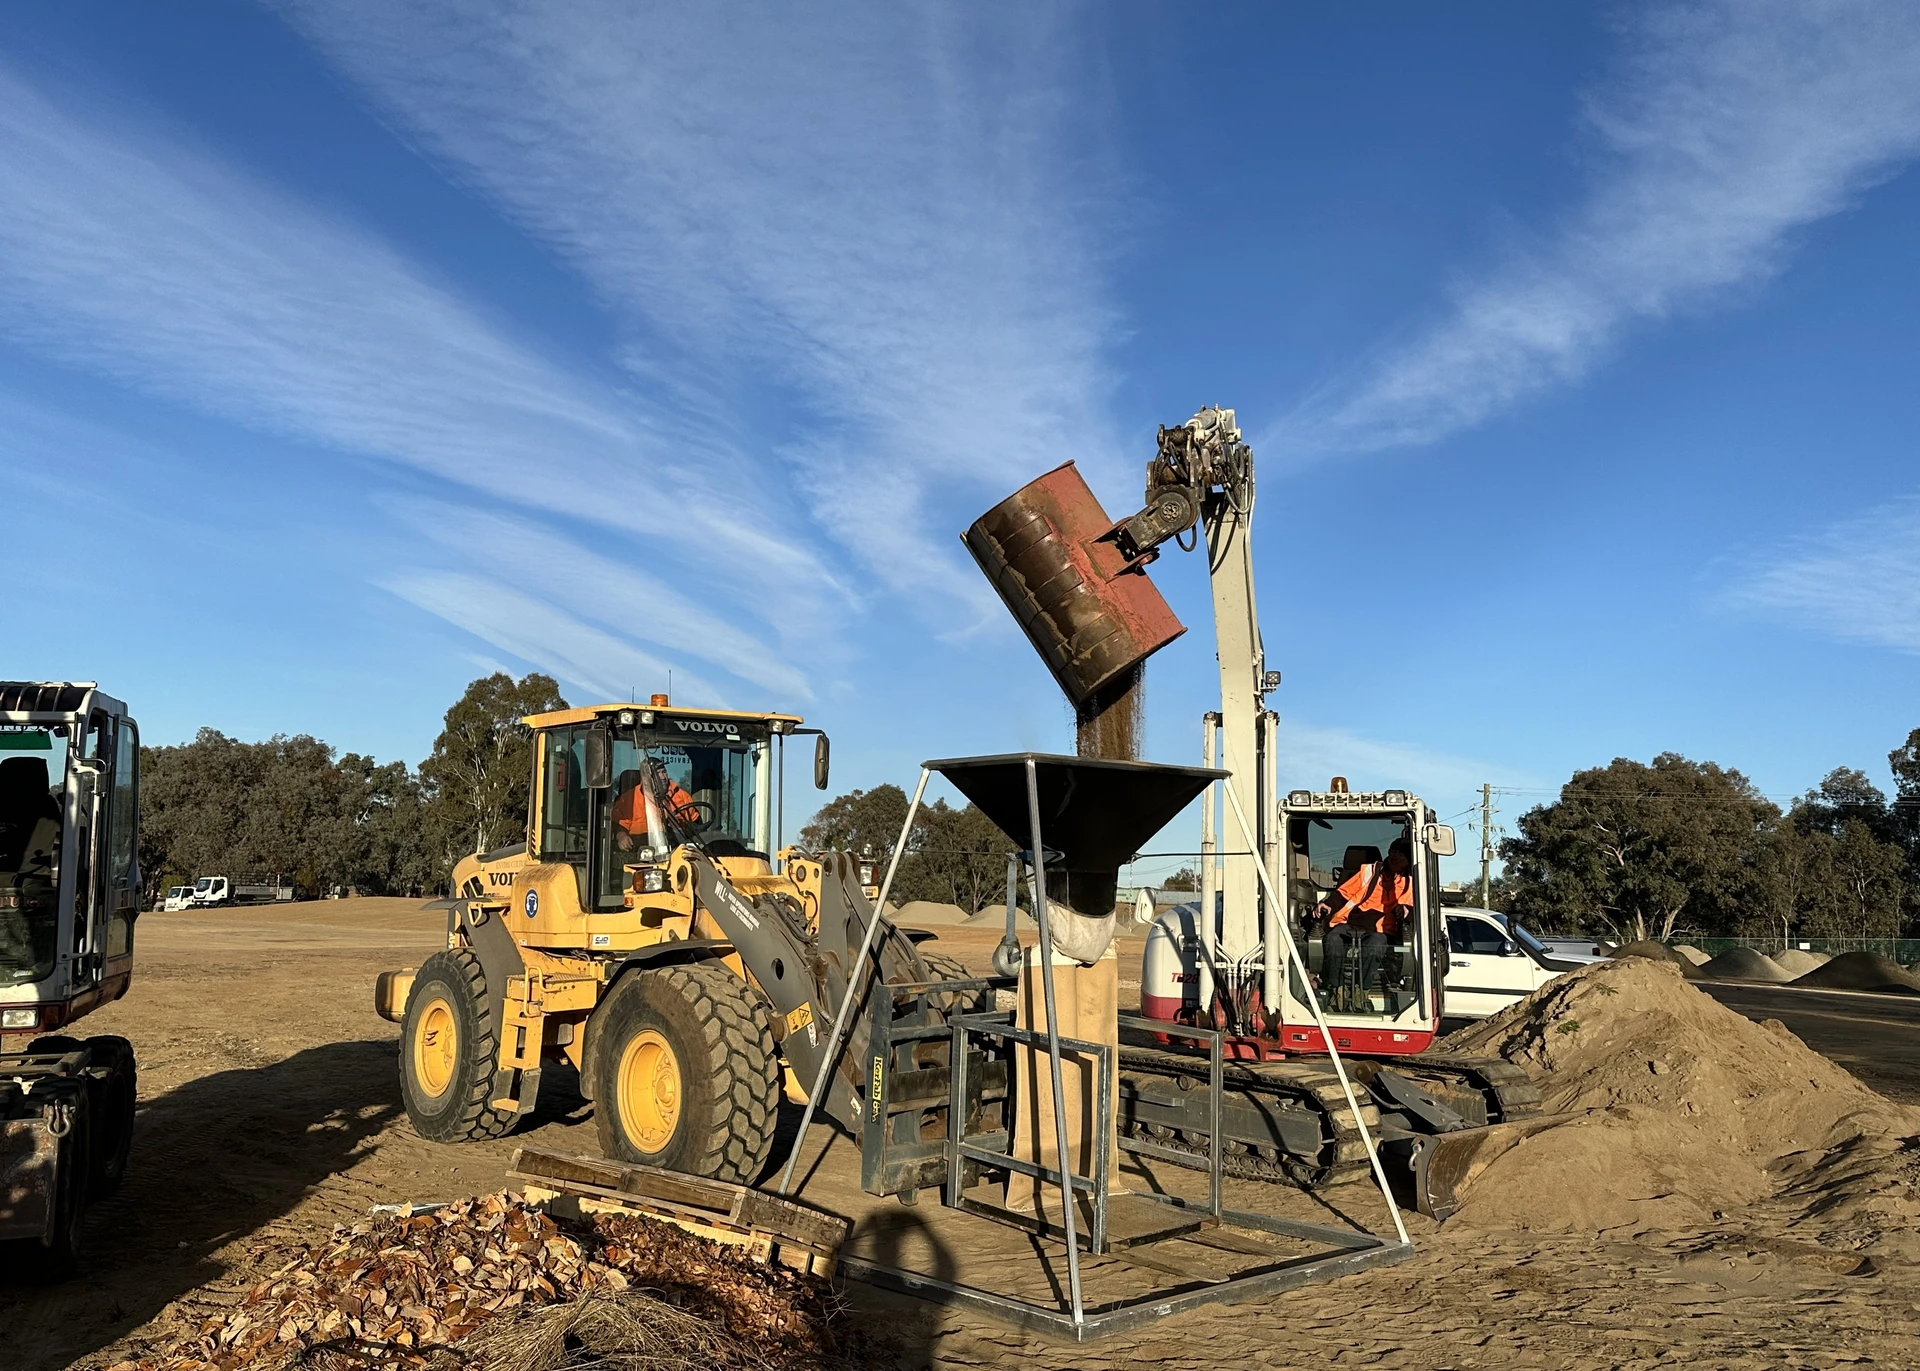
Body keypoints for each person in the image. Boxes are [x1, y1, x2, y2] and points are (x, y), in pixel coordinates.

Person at [1317, 836, 1414, 1012]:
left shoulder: (1411, 883)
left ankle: (1361, 991)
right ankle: (1335, 990)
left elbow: (1413, 908)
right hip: (1351, 922)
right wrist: (1328, 904)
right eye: (1393, 852)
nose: (1395, 857)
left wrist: (1406, 912)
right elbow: (1343, 893)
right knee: (1332, 940)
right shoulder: (1369, 871)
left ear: (1408, 861)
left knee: (1376, 944)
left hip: (1381, 929)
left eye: (1401, 855)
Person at [611, 760, 699, 853]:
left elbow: (695, 823)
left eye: (664, 772)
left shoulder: (682, 796)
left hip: (677, 850)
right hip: (641, 853)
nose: (663, 777)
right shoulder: (629, 799)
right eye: (657, 774)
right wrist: (621, 836)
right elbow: (617, 826)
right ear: (645, 778)